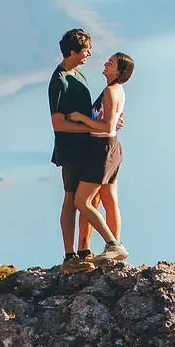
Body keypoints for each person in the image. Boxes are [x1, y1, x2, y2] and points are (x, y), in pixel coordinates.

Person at [65, 51, 134, 263]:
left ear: (120, 71)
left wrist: (80, 118)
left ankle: (113, 245)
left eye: (111, 63)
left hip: (101, 150)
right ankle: (115, 250)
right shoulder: (118, 90)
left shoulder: (110, 92)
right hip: (112, 149)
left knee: (81, 201)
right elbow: (112, 123)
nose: (106, 64)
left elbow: (107, 126)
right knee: (109, 201)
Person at [48, 28, 98, 267]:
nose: (89, 53)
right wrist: (90, 129)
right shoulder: (59, 81)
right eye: (86, 49)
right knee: (71, 199)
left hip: (87, 147)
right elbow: (58, 123)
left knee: (90, 198)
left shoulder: (78, 74)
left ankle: (84, 249)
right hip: (70, 150)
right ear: (72, 52)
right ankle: (70, 256)